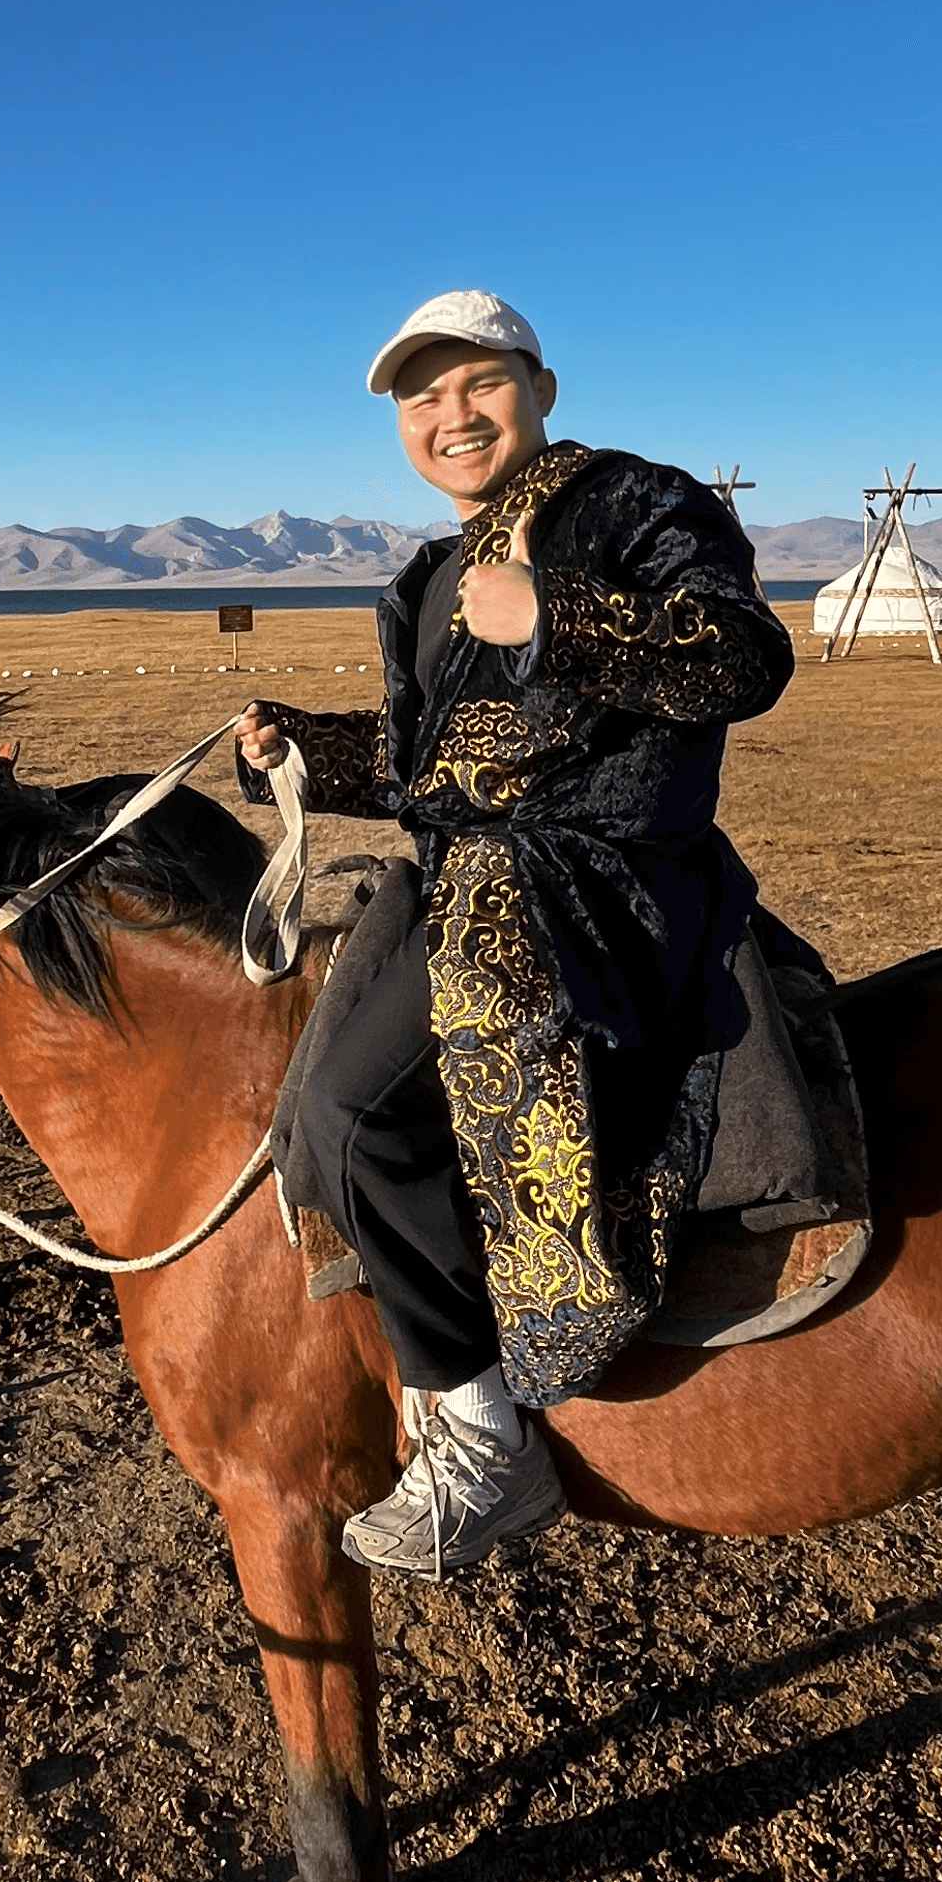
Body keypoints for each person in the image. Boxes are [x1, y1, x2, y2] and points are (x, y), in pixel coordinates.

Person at [238, 292, 794, 1576]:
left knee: (362, 1115)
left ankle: (487, 1444)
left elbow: (747, 658)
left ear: (539, 383)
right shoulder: (429, 577)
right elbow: (427, 766)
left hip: (601, 882)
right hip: (471, 876)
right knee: (321, 1078)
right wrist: (299, 750)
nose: (450, 417)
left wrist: (560, 617)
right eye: (420, 401)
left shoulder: (637, 502)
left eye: (474, 384)